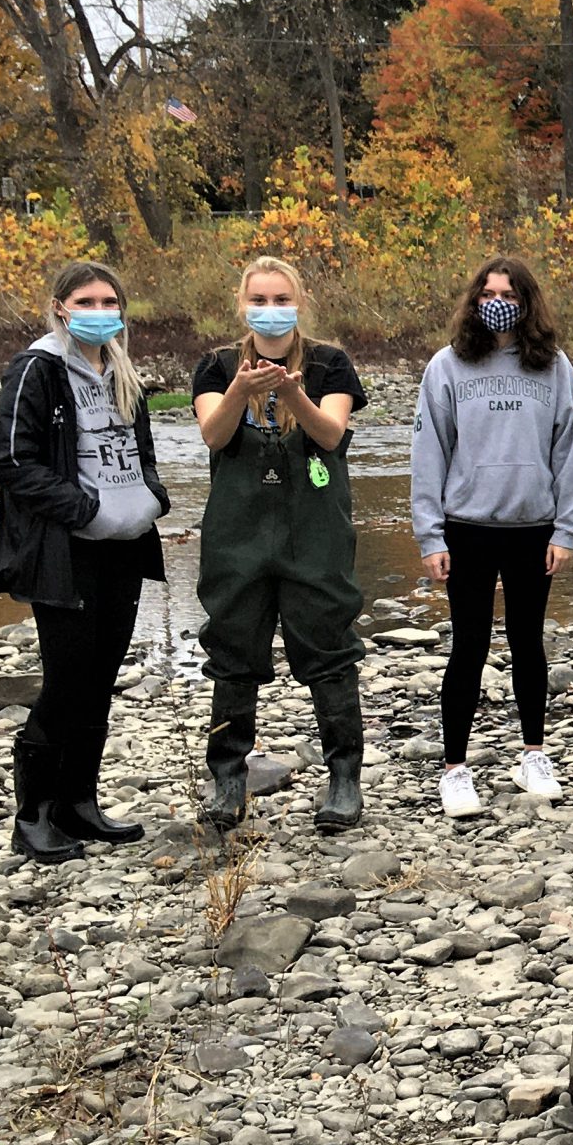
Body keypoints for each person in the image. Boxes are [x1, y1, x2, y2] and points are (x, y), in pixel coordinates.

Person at [0, 261, 171, 864]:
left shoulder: (120, 369)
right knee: (67, 679)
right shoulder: (35, 369)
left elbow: (139, 452)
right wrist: (84, 509)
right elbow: (12, 462)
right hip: (65, 551)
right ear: (60, 307)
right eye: (86, 301)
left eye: (109, 300)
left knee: (100, 678)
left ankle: (79, 805)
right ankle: (33, 815)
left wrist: (153, 498)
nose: (99, 311)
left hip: (124, 547)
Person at [191, 256, 371, 834]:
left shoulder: (329, 364)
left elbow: (331, 433)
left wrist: (293, 396)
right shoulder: (217, 365)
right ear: (241, 302)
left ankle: (344, 779)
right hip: (238, 535)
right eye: (259, 299)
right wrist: (241, 391)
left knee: (330, 649)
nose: (271, 309)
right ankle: (228, 781)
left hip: (313, 533)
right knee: (233, 652)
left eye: (281, 298)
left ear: (300, 300)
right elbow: (212, 437)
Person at [410, 256, 573, 821]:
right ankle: (455, 769)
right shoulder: (447, 366)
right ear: (474, 299)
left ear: (527, 301)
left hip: (533, 530)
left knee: (528, 643)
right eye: (488, 292)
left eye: (509, 293)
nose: (498, 301)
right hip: (467, 530)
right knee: (468, 647)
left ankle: (533, 754)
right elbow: (429, 454)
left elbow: (572, 452)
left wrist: (567, 527)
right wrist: (429, 535)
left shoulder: (554, 368)